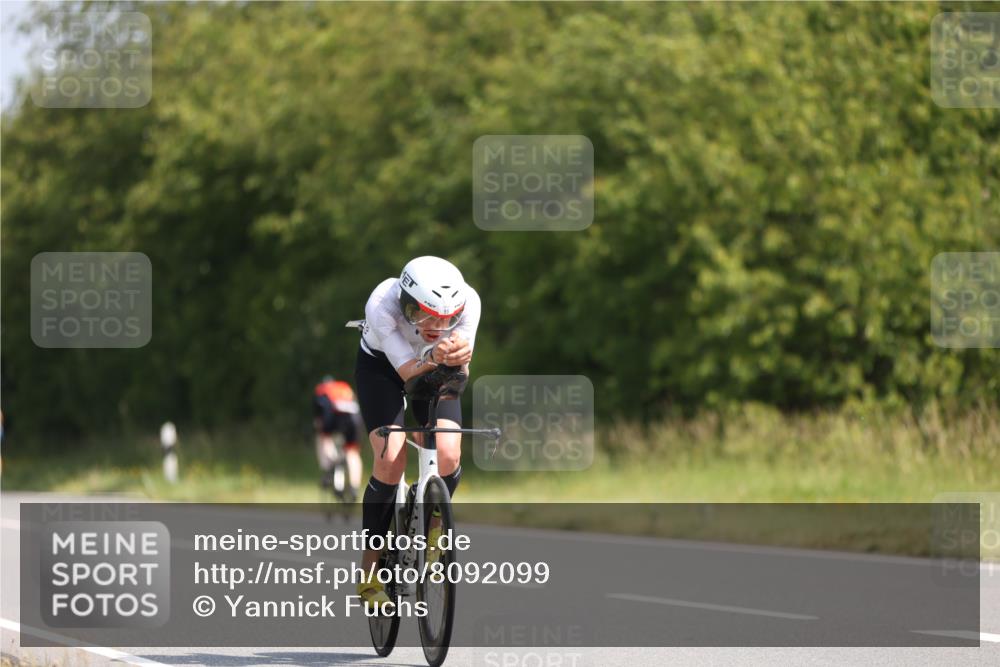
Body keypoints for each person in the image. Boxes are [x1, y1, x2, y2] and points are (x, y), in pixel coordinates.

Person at [352, 256, 480, 610]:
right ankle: (369, 572)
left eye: (447, 318)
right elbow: (409, 373)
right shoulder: (382, 304)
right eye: (425, 315)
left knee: (448, 454)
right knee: (392, 458)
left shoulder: (469, 302)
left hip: (438, 368)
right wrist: (436, 355)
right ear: (406, 303)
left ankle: (433, 524)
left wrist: (455, 357)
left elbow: (458, 369)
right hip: (384, 369)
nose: (437, 325)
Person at [313, 375, 363, 501]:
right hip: (353, 417)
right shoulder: (344, 387)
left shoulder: (322, 389)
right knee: (352, 452)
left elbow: (320, 411)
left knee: (323, 438)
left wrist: (319, 425)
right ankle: (353, 488)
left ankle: (329, 468)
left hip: (333, 416)